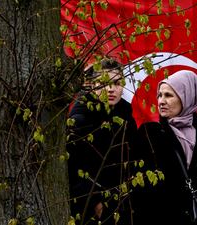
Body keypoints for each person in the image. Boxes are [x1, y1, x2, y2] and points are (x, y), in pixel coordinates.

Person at [133, 70, 197, 225]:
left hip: (196, 218)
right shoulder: (150, 134)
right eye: (160, 95)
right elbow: (140, 187)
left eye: (168, 95)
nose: (161, 101)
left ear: (187, 97)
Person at [67, 58, 137, 225]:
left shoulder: (127, 117)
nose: (111, 89)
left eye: (118, 83)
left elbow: (133, 161)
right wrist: (94, 201)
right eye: (104, 83)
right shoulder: (79, 120)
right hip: (88, 211)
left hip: (123, 204)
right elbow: (72, 170)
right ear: (91, 85)